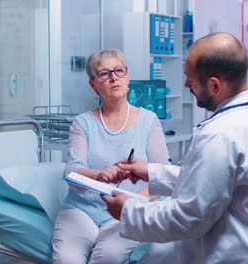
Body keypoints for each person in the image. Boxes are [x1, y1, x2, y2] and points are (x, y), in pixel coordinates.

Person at [102, 32, 248, 263]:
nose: (185, 84)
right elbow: (217, 181)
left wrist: (128, 212)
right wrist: (152, 172)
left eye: (190, 78)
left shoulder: (222, 135)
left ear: (214, 85)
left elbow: (188, 218)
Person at [51, 49, 169, 264]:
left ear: (127, 76)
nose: (114, 77)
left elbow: (162, 177)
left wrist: (132, 202)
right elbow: (71, 170)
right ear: (93, 84)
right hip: (82, 210)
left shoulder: (148, 121)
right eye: (104, 73)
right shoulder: (82, 123)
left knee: (109, 257)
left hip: (126, 209)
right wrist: (99, 175)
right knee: (67, 260)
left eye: (119, 70)